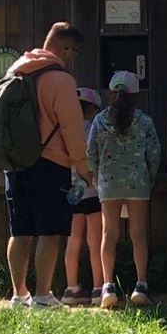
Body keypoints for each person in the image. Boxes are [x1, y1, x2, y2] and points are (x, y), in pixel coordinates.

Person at [3, 22, 91, 308]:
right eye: (73, 52)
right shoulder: (61, 80)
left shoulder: (15, 70)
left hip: (14, 162)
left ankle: (19, 295)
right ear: (64, 48)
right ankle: (42, 295)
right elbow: (72, 127)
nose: (72, 57)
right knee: (50, 231)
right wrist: (81, 166)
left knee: (20, 230)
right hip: (51, 163)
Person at [88, 70, 163, 309]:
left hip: (108, 183)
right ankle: (141, 284)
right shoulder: (144, 121)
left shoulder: (100, 120)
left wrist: (96, 176)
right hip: (137, 182)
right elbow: (154, 153)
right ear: (136, 95)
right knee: (138, 234)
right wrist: (149, 178)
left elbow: (91, 153)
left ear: (111, 93)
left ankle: (107, 286)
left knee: (109, 234)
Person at [61, 86, 103, 305]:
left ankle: (71, 288)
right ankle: (98, 288)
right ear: (93, 109)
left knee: (73, 239)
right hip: (92, 190)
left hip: (70, 191)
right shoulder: (93, 129)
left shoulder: (65, 130)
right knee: (95, 240)